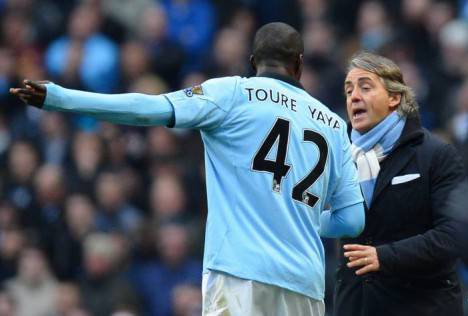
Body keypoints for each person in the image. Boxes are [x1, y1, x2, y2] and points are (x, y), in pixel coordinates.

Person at [10, 22, 365, 315]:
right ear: (299, 65)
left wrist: (59, 98)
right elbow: (352, 220)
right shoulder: (333, 125)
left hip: (240, 272)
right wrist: (296, 214)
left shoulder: (233, 93)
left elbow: (146, 108)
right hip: (304, 281)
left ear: (253, 60)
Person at [334, 52, 465, 316]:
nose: (354, 97)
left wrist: (384, 256)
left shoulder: (436, 154)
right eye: (349, 91)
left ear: (394, 98)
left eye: (365, 87)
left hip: (420, 306)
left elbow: (453, 236)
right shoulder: (338, 158)